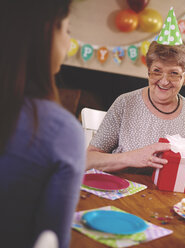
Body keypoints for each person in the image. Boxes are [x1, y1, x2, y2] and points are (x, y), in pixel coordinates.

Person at [86, 8, 185, 181]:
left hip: (168, 199)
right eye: (157, 71)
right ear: (148, 70)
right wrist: (131, 157)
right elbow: (88, 160)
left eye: (174, 73)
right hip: (120, 192)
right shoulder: (125, 103)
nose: (164, 81)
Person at [0, 1, 85, 248]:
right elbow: (54, 239)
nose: (69, 43)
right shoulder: (61, 131)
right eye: (67, 30)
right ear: (46, 34)